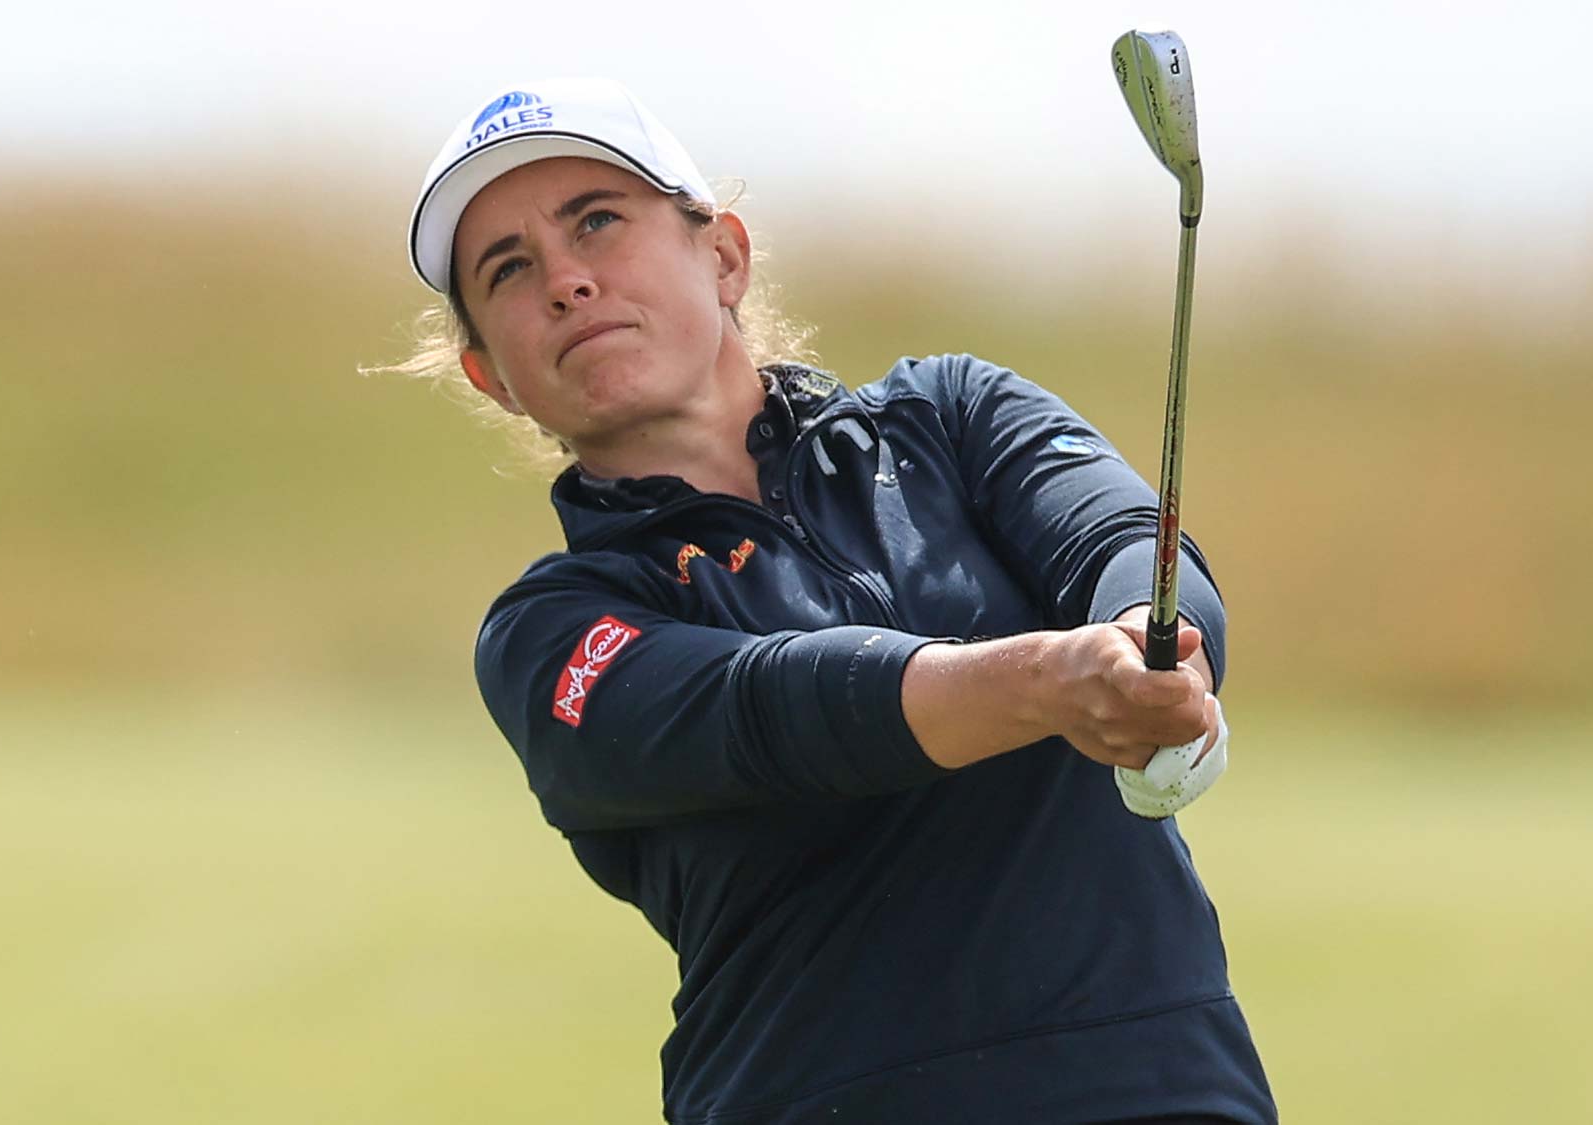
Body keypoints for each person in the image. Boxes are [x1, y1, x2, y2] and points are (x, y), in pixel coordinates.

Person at [394, 77, 1275, 1124]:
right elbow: (774, 711)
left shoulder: (949, 417)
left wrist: (1149, 651)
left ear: (723, 255)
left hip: (1158, 1089)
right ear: (490, 374)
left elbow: (1124, 541)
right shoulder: (550, 633)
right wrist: (1051, 679)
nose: (566, 281)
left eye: (597, 222)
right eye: (508, 268)